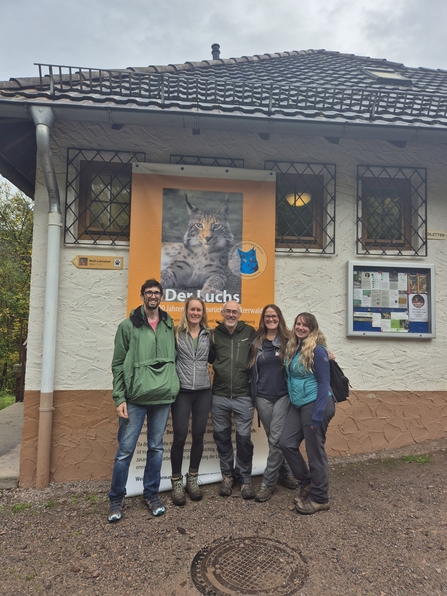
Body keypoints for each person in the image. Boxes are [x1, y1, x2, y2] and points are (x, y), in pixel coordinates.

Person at [108, 279, 179, 523]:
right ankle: (116, 499)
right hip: (135, 398)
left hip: (162, 398)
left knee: (156, 448)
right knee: (125, 451)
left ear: (161, 296)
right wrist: (120, 398)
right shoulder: (128, 327)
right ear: (142, 295)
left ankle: (151, 494)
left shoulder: (170, 325)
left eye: (156, 292)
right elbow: (118, 364)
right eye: (148, 292)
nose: (153, 296)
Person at [279, 312, 335, 515]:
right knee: (286, 443)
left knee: (314, 452)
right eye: (298, 324)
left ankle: (320, 498)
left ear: (312, 329)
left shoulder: (317, 350)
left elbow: (323, 383)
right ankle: (307, 482)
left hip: (316, 404)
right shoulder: (295, 348)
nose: (300, 327)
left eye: (305, 325)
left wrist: (318, 414)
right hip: (299, 404)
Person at [250, 304, 299, 502]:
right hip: (262, 396)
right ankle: (285, 472)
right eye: (267, 316)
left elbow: (308, 349)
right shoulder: (256, 341)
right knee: (274, 439)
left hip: (282, 395)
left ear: (279, 318)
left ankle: (267, 483)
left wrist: (326, 354)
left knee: (276, 440)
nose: (271, 319)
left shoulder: (289, 339)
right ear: (263, 319)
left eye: (274, 316)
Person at [210, 300, 256, 499]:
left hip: (243, 395)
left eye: (234, 312)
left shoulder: (250, 333)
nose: (230, 314)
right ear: (221, 313)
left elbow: (275, 342)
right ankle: (227, 476)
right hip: (219, 395)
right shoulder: (214, 334)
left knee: (244, 440)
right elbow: (208, 357)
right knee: (222, 438)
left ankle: (245, 479)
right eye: (227, 311)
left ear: (239, 314)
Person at [170, 297, 213, 506]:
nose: (195, 313)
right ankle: (176, 482)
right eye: (192, 309)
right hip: (182, 392)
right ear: (186, 311)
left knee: (198, 435)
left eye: (199, 310)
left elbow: (218, 357)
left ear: (202, 313)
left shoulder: (208, 335)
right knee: (179, 436)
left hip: (203, 391)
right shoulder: (176, 334)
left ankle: (192, 480)